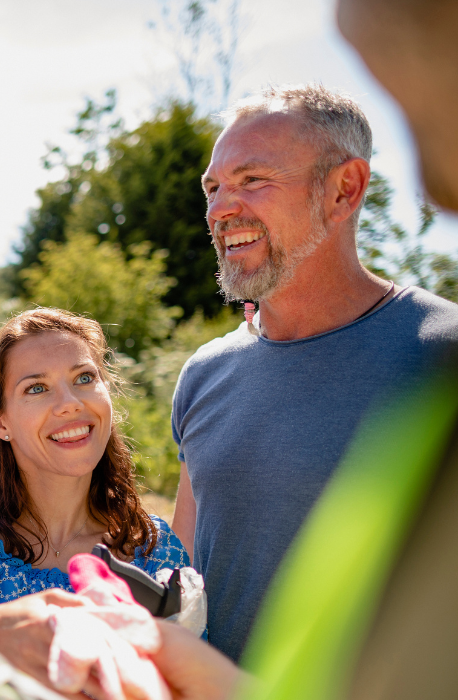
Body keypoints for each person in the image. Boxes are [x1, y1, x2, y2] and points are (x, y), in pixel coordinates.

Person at [168, 83, 458, 661]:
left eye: (253, 180)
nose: (220, 209)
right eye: (213, 187)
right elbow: (183, 574)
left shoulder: (444, 356)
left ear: (343, 189)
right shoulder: (204, 375)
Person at [0, 308, 189, 625]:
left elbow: (186, 671)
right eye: (37, 388)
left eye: (84, 378)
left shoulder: (154, 550)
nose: (70, 402)